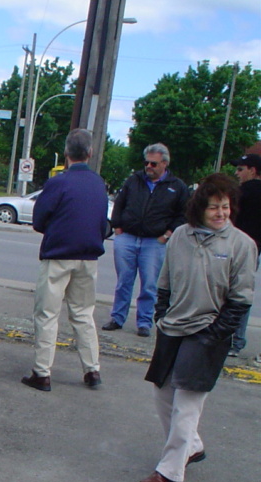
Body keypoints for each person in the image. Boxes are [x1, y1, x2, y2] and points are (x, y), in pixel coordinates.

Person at [138, 174, 256, 482]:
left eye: (225, 207)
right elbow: (164, 283)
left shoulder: (242, 245)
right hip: (173, 326)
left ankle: (170, 470)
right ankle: (192, 446)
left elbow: (241, 298)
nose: (220, 213)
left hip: (207, 332)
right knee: (162, 393)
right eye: (214, 207)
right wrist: (162, 316)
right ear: (200, 208)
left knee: (187, 404)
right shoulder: (180, 236)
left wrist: (217, 332)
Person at [21, 128, 110, 392]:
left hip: (58, 255)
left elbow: (39, 220)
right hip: (89, 256)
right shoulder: (98, 183)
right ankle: (92, 370)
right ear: (90, 153)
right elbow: (102, 222)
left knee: (48, 314)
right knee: (83, 314)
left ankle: (42, 372)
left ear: (67, 152)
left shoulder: (58, 182)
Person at [104, 143, 190, 337]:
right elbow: (120, 203)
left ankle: (144, 322)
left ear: (164, 164)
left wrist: (167, 235)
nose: (149, 167)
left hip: (154, 242)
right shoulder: (134, 180)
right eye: (146, 163)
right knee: (124, 281)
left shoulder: (177, 187)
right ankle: (117, 318)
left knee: (150, 284)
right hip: (128, 237)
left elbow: (183, 214)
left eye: (154, 163)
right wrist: (118, 227)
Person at [229, 153, 261, 357]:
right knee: (244, 291)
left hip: (237, 247)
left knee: (231, 292)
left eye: (241, 169)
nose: (237, 173)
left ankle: (232, 339)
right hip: (254, 248)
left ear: (253, 170)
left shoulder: (242, 193)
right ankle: (236, 339)